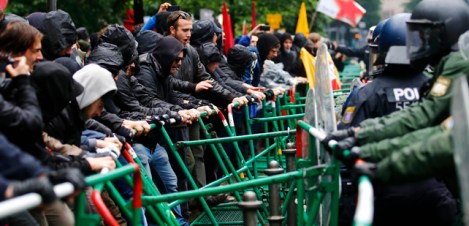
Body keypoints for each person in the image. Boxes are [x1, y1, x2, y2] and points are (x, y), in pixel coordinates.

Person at [335, 13, 457, 226]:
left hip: (384, 193)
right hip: (437, 194)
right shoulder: (438, 89)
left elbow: (346, 156)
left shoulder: (366, 93)